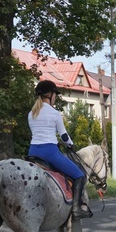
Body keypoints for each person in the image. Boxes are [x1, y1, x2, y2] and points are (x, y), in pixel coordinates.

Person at [28, 80, 90, 218]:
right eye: (55, 94)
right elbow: (63, 135)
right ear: (50, 95)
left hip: (32, 152)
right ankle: (76, 209)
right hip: (49, 152)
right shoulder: (54, 113)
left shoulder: (31, 113)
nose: (55, 97)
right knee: (79, 175)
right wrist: (70, 144)